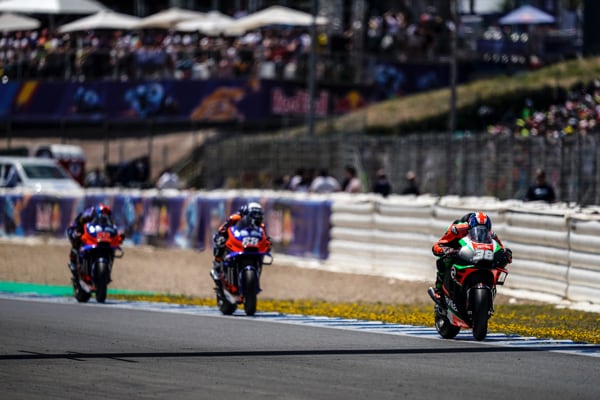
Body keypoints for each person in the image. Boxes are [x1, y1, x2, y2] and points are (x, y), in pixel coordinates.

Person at [428, 211, 512, 304]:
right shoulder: (457, 229)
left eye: (484, 229)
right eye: (478, 228)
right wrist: (447, 250)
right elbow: (439, 244)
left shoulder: (491, 234)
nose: (481, 231)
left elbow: (500, 248)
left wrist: (506, 254)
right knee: (442, 261)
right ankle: (439, 290)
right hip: (460, 251)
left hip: (478, 257)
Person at [210, 202, 271, 282]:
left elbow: (265, 237)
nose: (257, 218)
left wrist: (267, 242)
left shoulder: (261, 226)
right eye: (254, 214)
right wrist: (220, 237)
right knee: (220, 245)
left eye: (259, 215)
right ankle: (217, 267)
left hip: (251, 244)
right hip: (235, 240)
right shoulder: (234, 218)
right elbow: (222, 230)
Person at [66, 204, 121, 281]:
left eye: (106, 215)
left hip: (100, 238)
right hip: (84, 233)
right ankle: (74, 264)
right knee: (77, 241)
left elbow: (114, 229)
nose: (104, 217)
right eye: (103, 214)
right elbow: (75, 224)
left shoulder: (110, 220)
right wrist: (76, 232)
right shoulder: (88, 214)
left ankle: (106, 271)